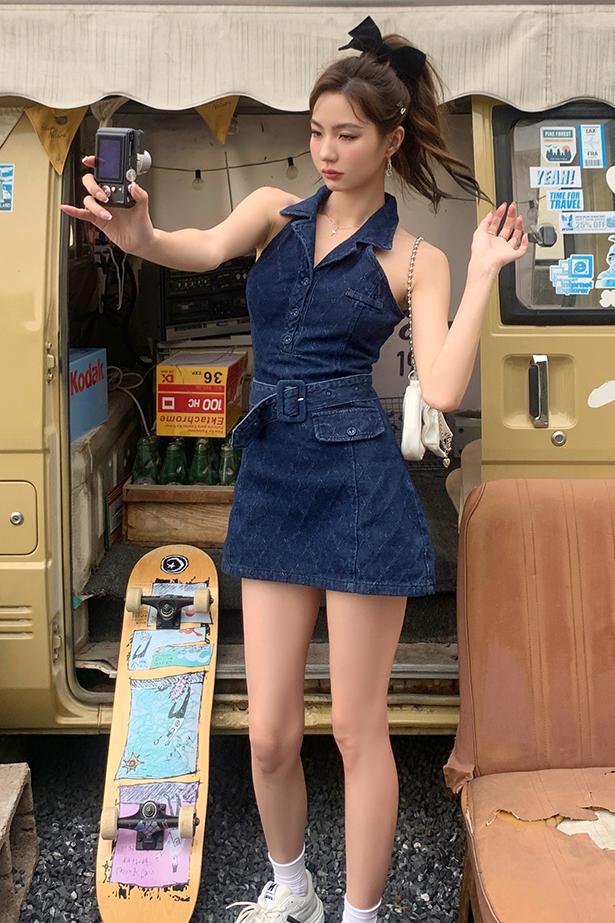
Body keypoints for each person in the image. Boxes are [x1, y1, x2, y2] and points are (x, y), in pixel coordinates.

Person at [61, 15, 527, 922]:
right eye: (316, 132)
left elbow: (442, 383)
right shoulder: (273, 212)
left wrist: (481, 274)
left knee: (355, 727)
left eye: (346, 135)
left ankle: (359, 913)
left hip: (357, 487)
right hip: (273, 475)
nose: (325, 151)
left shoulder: (415, 257)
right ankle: (294, 890)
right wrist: (137, 233)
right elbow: (192, 248)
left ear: (389, 140)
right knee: (269, 733)